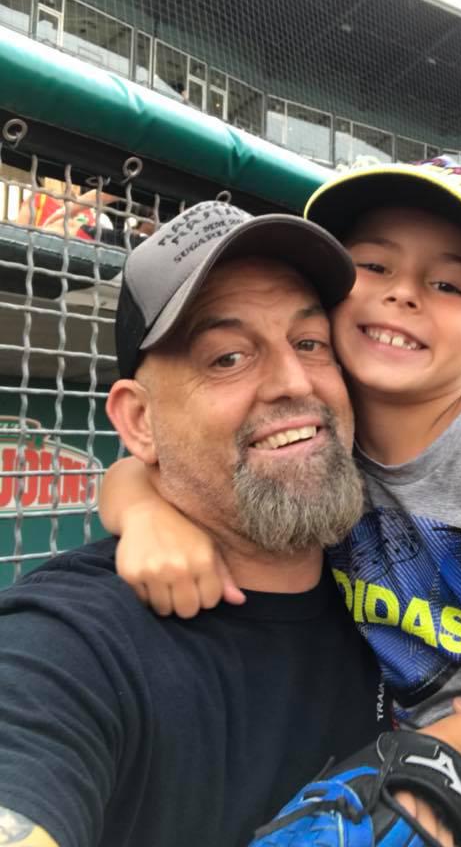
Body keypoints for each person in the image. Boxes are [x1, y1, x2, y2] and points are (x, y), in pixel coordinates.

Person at [101, 163, 461, 846]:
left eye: (447, 284)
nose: (403, 294)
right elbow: (138, 467)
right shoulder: (321, 452)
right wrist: (142, 511)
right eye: (374, 266)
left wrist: (457, 745)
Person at [0, 202, 396, 847]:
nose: (293, 382)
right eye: (228, 358)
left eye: (310, 343)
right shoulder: (68, 650)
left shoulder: (409, 558)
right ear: (139, 424)